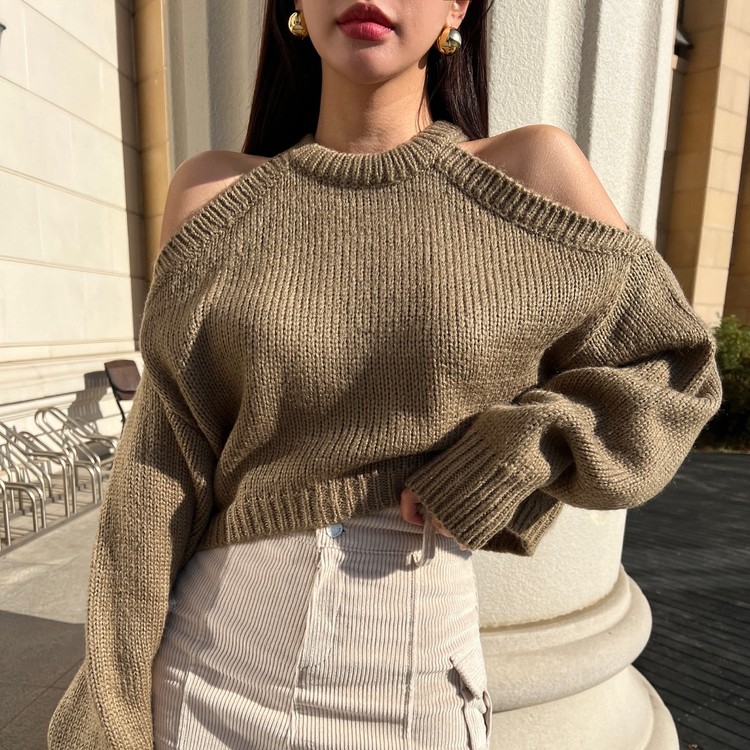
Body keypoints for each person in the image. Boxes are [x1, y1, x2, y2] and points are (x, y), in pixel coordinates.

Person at [48, 1, 722, 748]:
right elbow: (157, 474)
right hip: (205, 674)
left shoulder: (531, 175)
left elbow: (674, 372)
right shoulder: (213, 196)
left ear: (458, 6)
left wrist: (518, 452)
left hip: (411, 690)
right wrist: (108, 710)